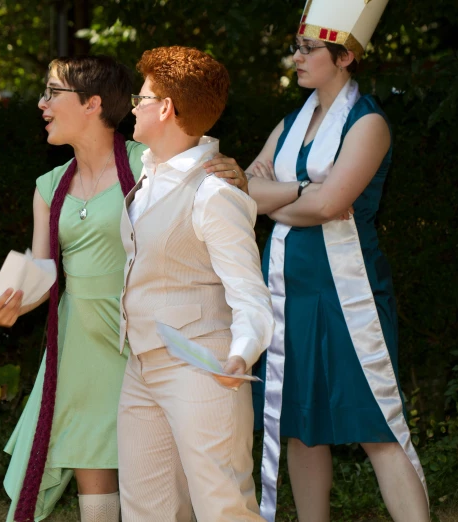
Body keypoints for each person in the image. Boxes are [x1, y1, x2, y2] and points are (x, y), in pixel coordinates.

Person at [0, 55, 247, 522]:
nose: (42, 104)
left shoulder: (146, 161)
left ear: (92, 104)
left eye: (52, 93)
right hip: (81, 339)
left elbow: (200, 187)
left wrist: (232, 171)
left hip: (144, 333)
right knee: (93, 463)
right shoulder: (49, 186)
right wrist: (11, 306)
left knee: (172, 476)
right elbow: (44, 273)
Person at [203, 1, 430, 521]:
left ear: (344, 56)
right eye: (297, 48)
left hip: (348, 296)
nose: (296, 58)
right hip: (287, 290)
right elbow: (249, 195)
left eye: (308, 49)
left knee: (377, 423)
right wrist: (303, 189)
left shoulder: (368, 123)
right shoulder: (291, 122)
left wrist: (281, 198)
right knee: (298, 425)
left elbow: (329, 206)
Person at [116, 46, 274, 522]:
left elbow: (249, 291)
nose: (133, 106)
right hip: (139, 365)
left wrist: (241, 353)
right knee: (146, 509)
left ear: (165, 109)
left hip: (203, 368)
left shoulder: (215, 192)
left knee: (223, 507)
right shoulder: (146, 176)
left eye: (140, 97)